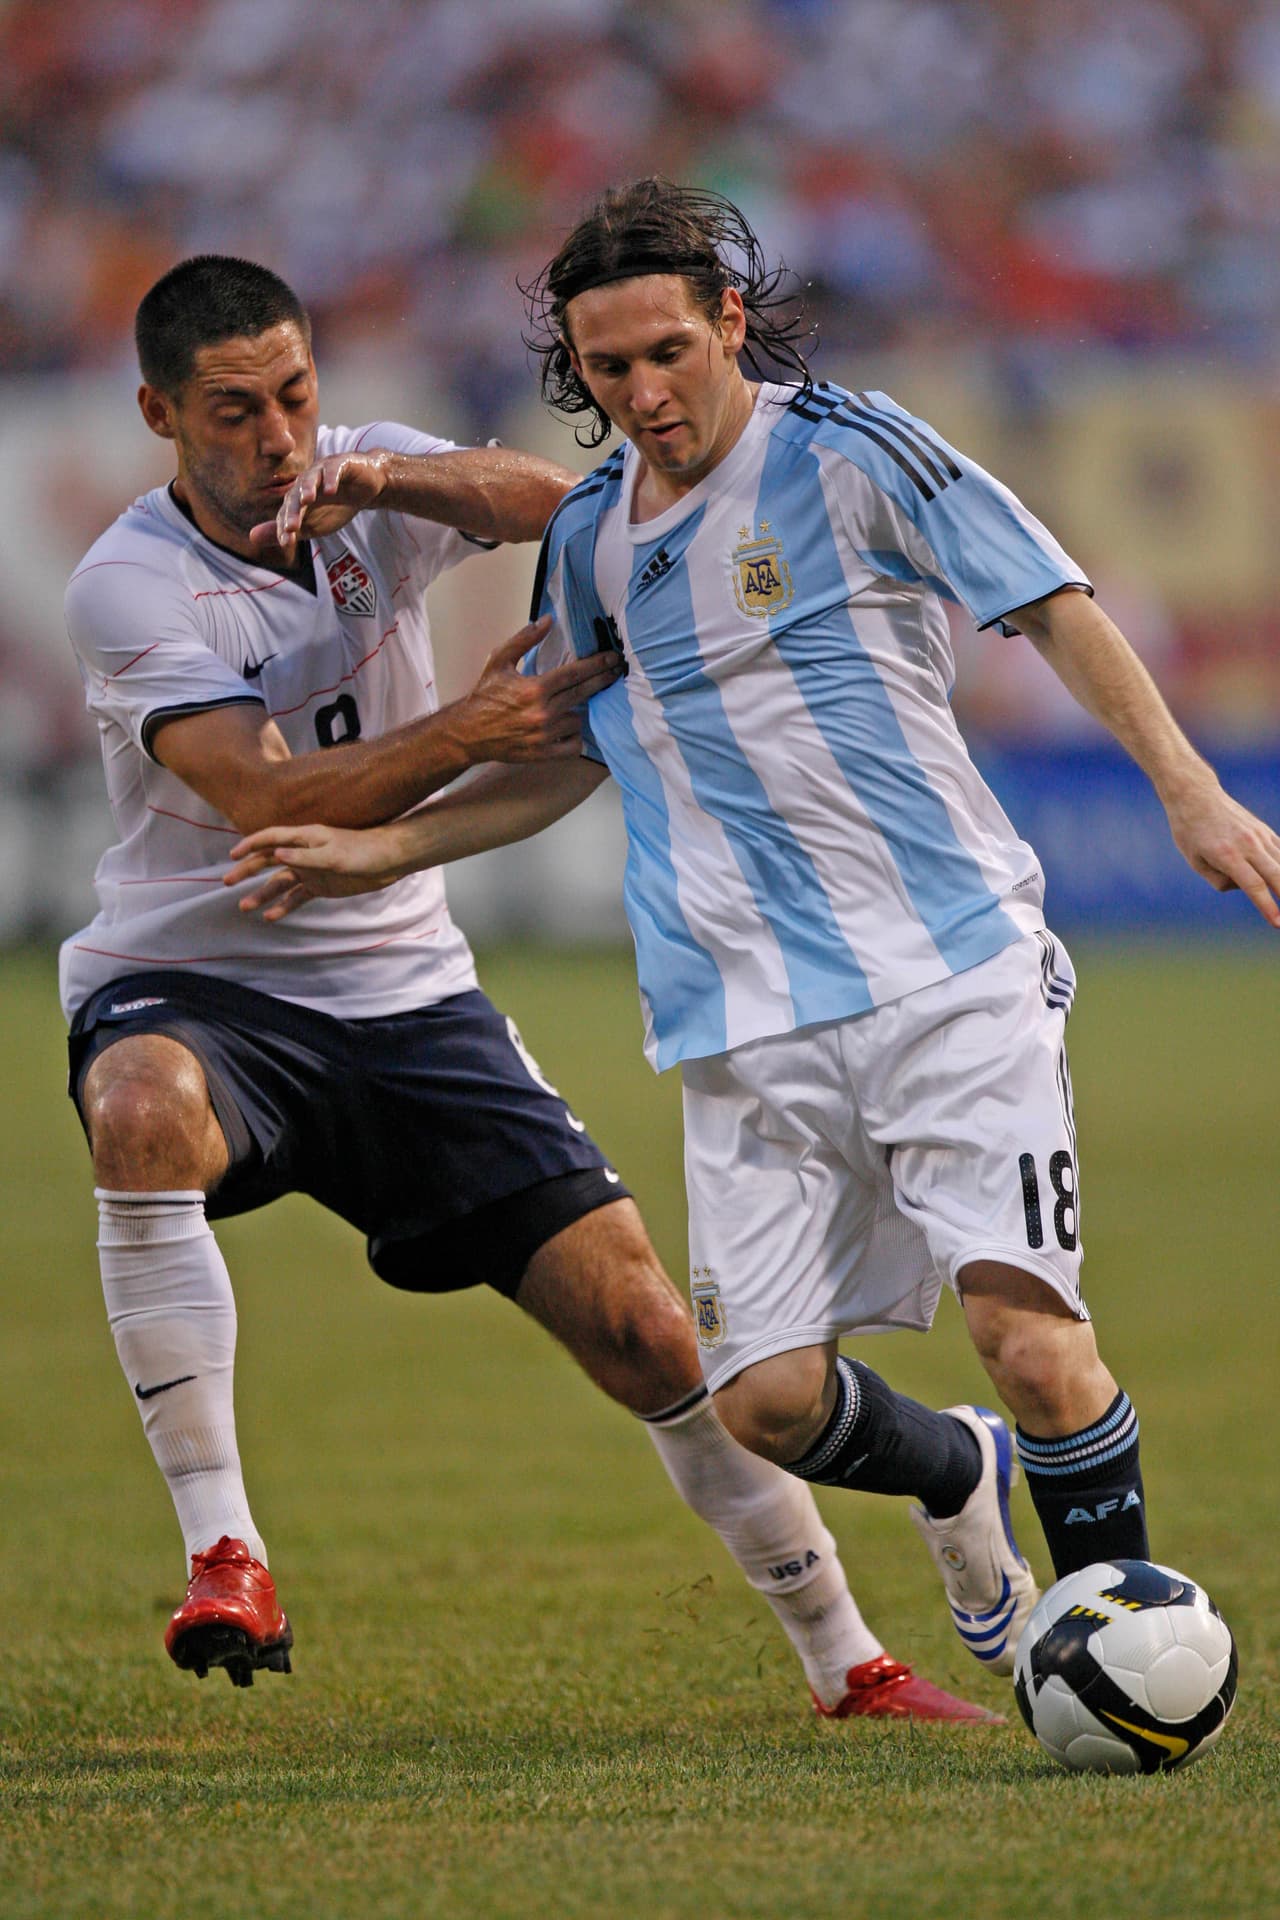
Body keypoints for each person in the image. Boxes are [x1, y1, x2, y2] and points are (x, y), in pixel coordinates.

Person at [229, 180, 1280, 1681]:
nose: (645, 394)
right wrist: (384, 847)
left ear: (730, 320)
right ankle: (957, 1475)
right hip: (739, 1018)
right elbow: (567, 760)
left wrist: (1189, 792)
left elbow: (1051, 601)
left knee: (1035, 1345)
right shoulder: (588, 536)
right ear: (576, 374)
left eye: (669, 351)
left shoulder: (852, 452)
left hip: (949, 971)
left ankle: (1122, 1648)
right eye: (608, 370)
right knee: (768, 1403)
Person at [60, 253, 998, 1724]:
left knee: (647, 1333)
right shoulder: (128, 582)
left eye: (295, 396)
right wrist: (477, 725)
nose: (277, 436)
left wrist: (390, 484)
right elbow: (260, 797)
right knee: (136, 1108)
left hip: (407, 993)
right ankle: (224, 1550)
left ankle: (850, 1662)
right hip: (198, 977)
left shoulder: (359, 479)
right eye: (233, 410)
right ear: (160, 416)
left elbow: (569, 513)